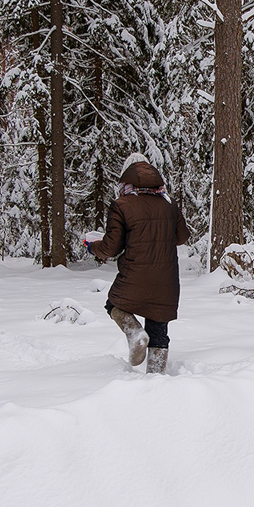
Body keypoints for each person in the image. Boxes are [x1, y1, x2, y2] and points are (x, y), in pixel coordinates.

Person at [86, 153, 190, 374]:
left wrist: (91, 246)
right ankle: (156, 378)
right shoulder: (169, 204)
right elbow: (181, 237)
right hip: (166, 278)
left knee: (113, 305)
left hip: (135, 273)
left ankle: (134, 333)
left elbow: (111, 248)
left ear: (127, 177)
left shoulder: (122, 205)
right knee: (158, 327)